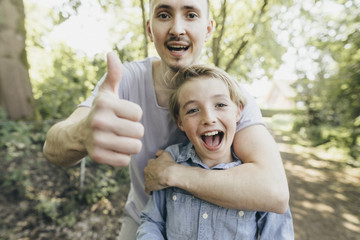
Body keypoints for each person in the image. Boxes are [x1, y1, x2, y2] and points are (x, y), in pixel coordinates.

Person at [43, 0, 289, 238]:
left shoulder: (230, 97)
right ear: (150, 29)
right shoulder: (126, 81)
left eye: (191, 14)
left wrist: (172, 175)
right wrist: (81, 134)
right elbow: (52, 148)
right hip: (147, 219)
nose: (177, 29)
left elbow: (275, 193)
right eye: (164, 14)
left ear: (207, 29)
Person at [136, 64, 294, 239]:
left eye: (220, 104)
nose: (209, 118)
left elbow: (277, 234)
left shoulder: (258, 180)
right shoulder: (170, 159)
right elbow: (152, 222)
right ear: (180, 122)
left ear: (238, 112)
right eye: (193, 110)